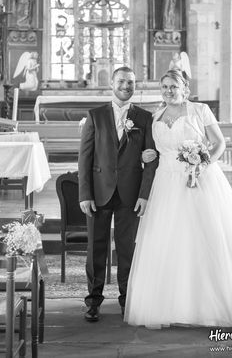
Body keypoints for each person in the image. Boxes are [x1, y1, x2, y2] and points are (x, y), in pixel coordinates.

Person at [124, 69, 232, 328]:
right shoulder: (154, 116)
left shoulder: (200, 110)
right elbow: (152, 152)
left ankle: (206, 305)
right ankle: (168, 306)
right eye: (165, 86)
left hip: (198, 181)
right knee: (167, 241)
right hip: (165, 183)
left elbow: (220, 143)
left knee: (201, 239)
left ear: (185, 88)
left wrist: (205, 164)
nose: (169, 91)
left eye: (174, 86)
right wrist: (146, 156)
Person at [78, 66, 158, 322]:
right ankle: (93, 300)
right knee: (95, 248)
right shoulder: (95, 115)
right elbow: (84, 158)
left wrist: (144, 195)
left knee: (127, 250)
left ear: (136, 86)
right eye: (121, 81)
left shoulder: (145, 118)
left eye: (131, 82)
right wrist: (84, 194)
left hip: (130, 194)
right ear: (112, 84)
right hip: (99, 192)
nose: (126, 86)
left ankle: (127, 300)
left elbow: (151, 160)